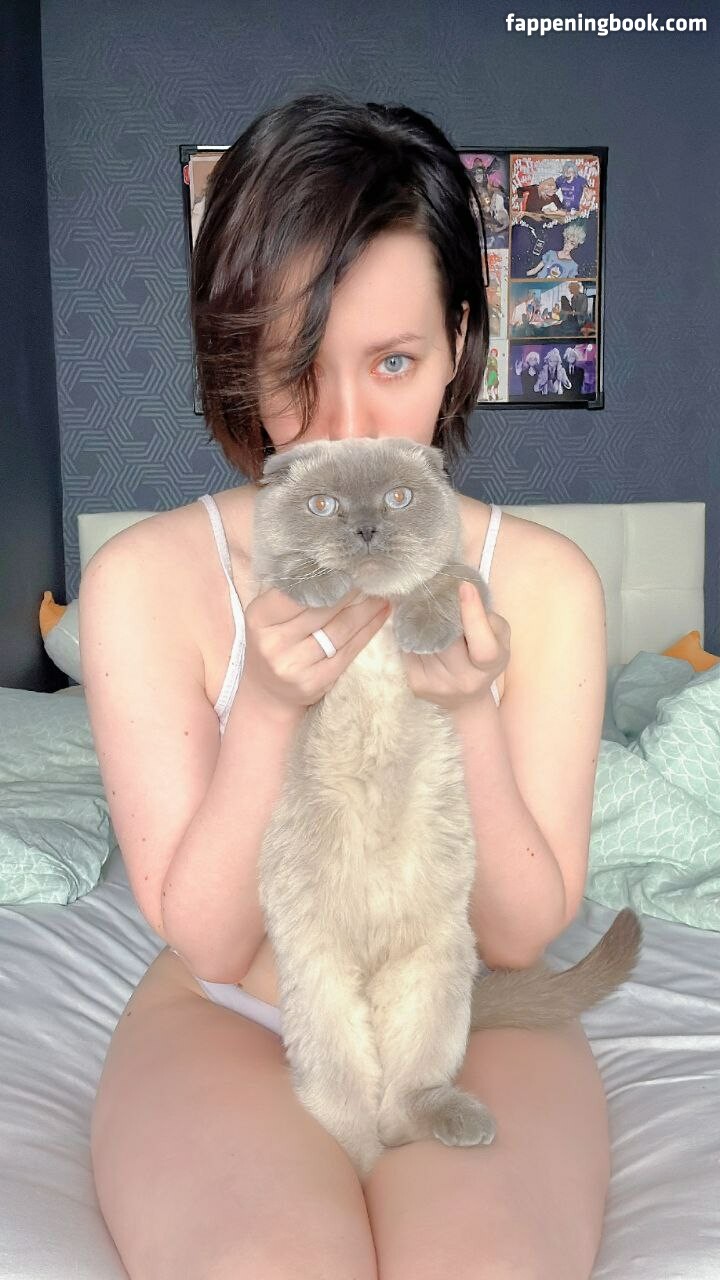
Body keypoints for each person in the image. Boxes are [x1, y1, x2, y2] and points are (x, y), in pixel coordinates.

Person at [81, 91, 609, 1279]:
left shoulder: (545, 582)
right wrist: (270, 710)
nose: (344, 424)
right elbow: (209, 936)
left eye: (395, 361)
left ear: (461, 342)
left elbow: (521, 931)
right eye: (293, 370)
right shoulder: (147, 579)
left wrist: (468, 707)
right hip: (239, 1014)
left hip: (468, 1008)